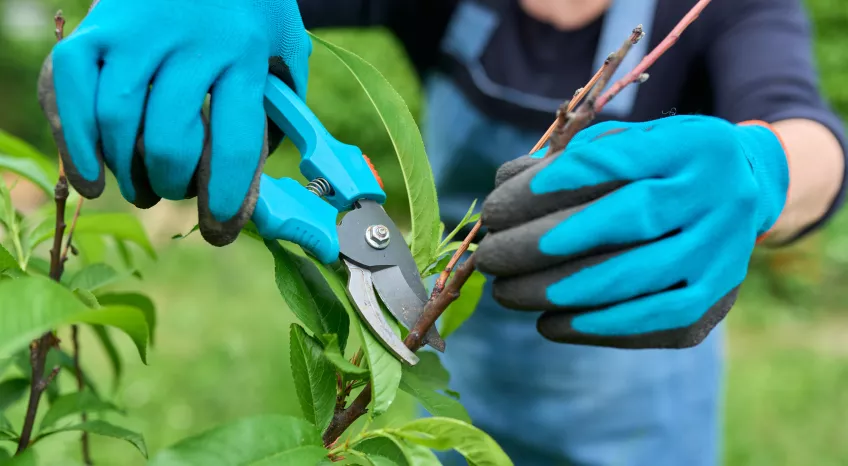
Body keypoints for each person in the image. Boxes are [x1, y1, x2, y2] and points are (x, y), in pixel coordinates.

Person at [38, 0, 847, 464]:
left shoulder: (722, 8)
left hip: (634, 384)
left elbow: (810, 129)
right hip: (455, 359)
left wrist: (764, 170)